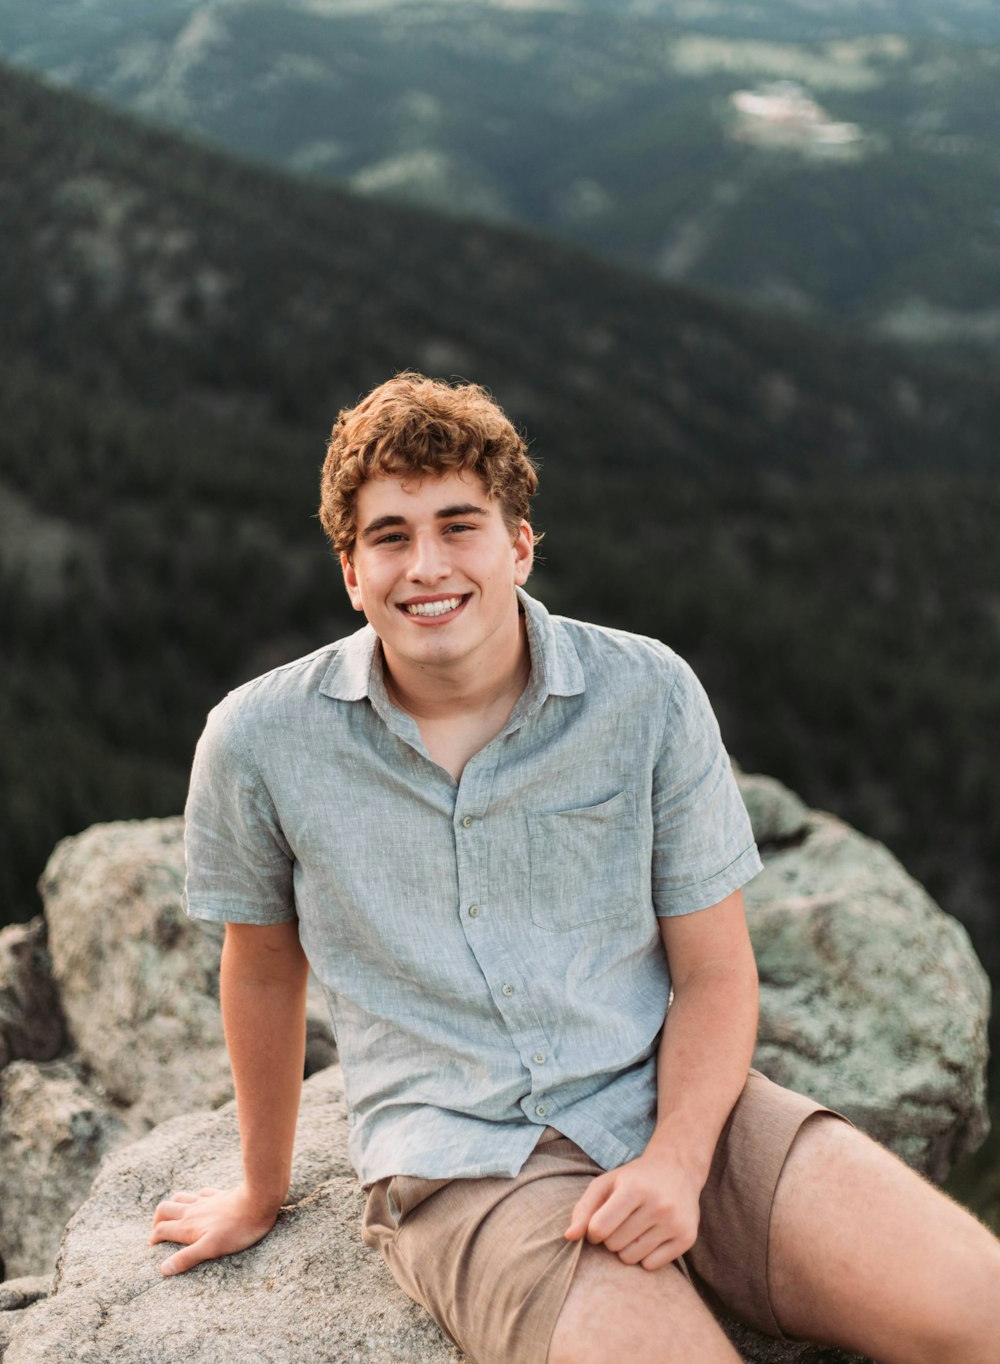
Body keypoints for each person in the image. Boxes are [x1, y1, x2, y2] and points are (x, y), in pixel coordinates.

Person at [151, 372, 1000, 1364]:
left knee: (979, 1310)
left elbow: (717, 971)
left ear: (518, 544)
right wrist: (261, 1189)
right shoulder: (258, 741)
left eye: (458, 525)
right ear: (351, 571)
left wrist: (678, 1166)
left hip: (682, 1103)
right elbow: (259, 965)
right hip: (461, 1165)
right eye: (389, 537)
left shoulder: (644, 693)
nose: (426, 566)